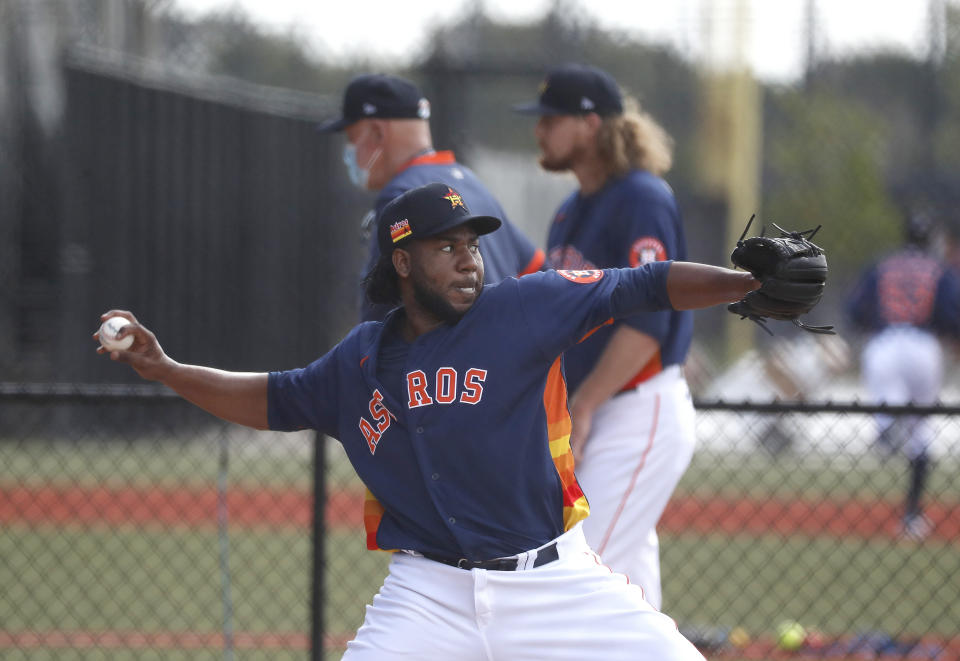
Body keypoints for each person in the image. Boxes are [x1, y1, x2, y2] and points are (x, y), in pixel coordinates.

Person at [96, 182, 759, 660]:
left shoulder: (523, 308)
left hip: (554, 580)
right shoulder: (358, 362)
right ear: (403, 260)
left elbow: (639, 285)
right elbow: (269, 397)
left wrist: (746, 285)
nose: (468, 256)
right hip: (428, 592)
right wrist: (169, 369)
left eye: (471, 243)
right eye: (446, 245)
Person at [513, 63, 693, 609]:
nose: (540, 130)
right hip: (599, 410)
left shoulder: (642, 198)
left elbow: (650, 321)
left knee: (578, 586)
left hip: (636, 409)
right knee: (628, 598)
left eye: (553, 118)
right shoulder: (571, 210)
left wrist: (585, 406)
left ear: (591, 125)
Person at [318, 73, 544, 321]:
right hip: (502, 352)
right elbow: (537, 272)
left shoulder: (401, 197)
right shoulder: (470, 181)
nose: (349, 151)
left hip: (450, 357)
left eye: (352, 138)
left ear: (377, 132)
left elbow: (379, 326)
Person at [846, 207, 960, 540]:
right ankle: (912, 517)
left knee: (889, 403)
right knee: (921, 430)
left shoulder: (882, 265)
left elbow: (855, 311)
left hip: (884, 343)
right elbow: (952, 315)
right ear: (931, 240)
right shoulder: (940, 269)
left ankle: (886, 421)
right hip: (923, 346)